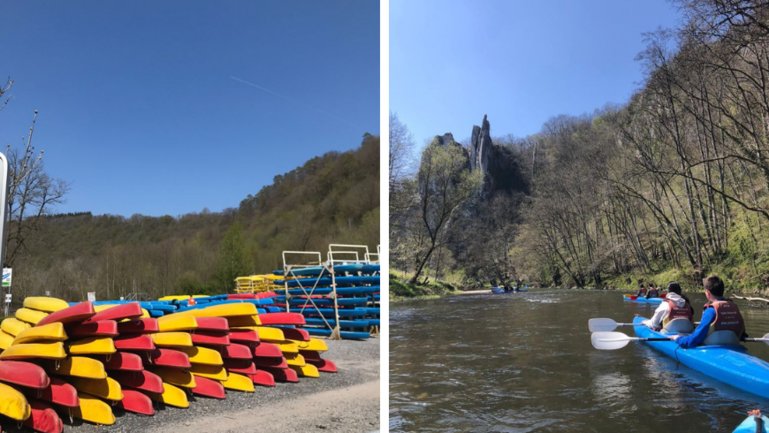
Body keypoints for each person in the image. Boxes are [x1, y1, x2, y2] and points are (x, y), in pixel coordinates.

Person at [673, 274, 747, 348]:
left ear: (708, 293)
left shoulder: (711, 311)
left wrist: (678, 339)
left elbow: (694, 340)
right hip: (734, 346)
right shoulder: (734, 307)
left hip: (712, 348)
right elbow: (742, 333)